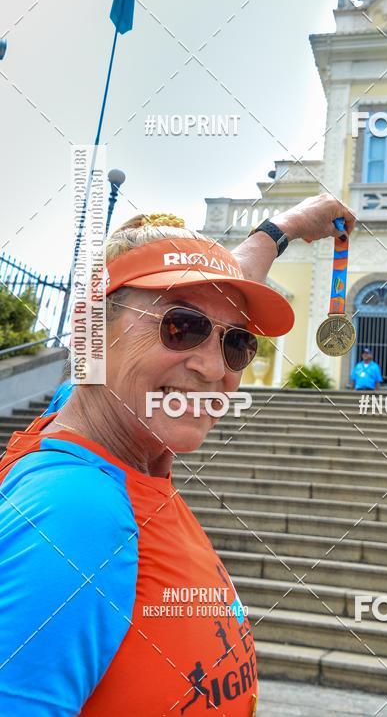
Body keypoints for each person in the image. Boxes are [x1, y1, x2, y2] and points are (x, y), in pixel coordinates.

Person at [0, 194, 355, 715]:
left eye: (237, 342)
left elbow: (219, 294)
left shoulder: (91, 431)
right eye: (181, 327)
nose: (214, 368)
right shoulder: (76, 512)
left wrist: (282, 229)